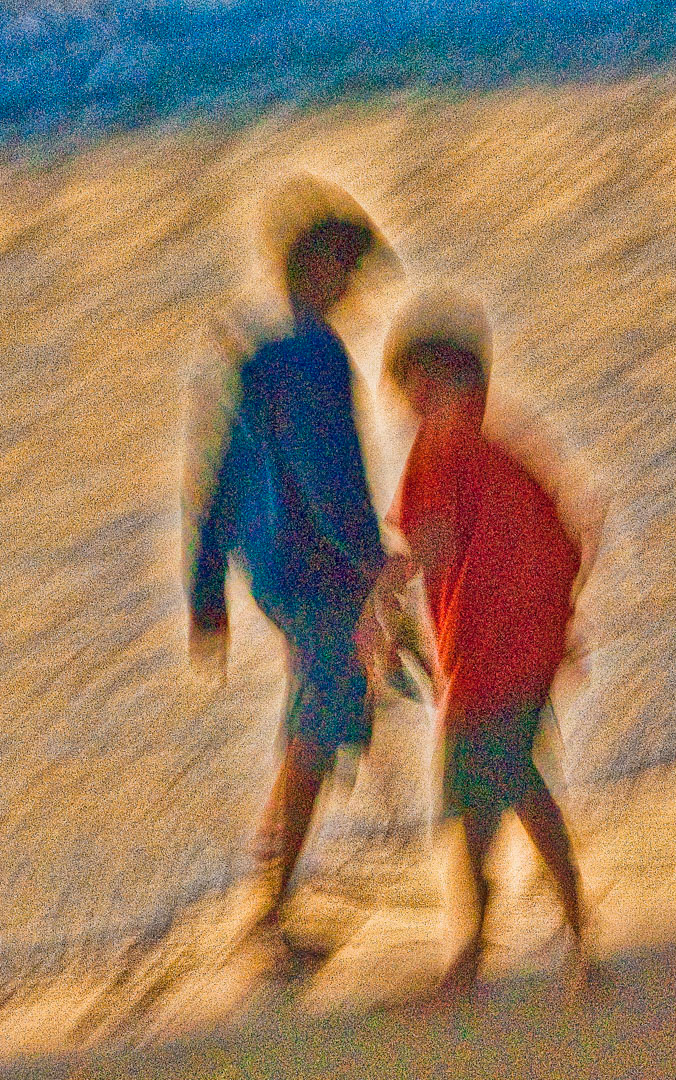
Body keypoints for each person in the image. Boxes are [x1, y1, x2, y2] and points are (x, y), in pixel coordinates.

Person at [182, 173, 401, 967]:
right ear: (320, 268)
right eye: (348, 270)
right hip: (320, 572)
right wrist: (375, 565)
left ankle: (270, 888)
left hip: (270, 572)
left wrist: (206, 594)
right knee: (319, 729)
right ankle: (269, 913)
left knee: (314, 721)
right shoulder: (315, 353)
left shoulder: (257, 348)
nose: (354, 290)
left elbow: (215, 480)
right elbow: (328, 475)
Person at [359, 287, 591, 993]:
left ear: (433, 382)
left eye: (410, 386)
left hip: (492, 657)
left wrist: (378, 607)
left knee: (474, 796)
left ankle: (473, 954)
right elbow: (562, 536)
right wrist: (562, 633)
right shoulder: (500, 445)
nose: (407, 402)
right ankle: (575, 930)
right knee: (515, 782)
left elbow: (429, 541)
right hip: (522, 648)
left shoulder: (443, 446)